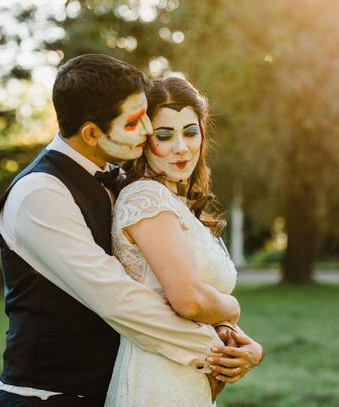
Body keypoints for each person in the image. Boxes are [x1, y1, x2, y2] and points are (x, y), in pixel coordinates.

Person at [0, 54, 261, 407]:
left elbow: (157, 282)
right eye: (135, 122)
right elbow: (122, 301)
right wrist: (219, 351)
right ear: (91, 133)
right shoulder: (40, 195)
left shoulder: (121, 182)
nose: (150, 132)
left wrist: (236, 339)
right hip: (51, 396)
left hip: (116, 388)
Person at [105, 76, 263, 406]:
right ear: (144, 139)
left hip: (189, 376)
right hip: (158, 377)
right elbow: (188, 301)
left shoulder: (175, 203)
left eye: (190, 132)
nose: (181, 147)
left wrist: (247, 345)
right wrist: (232, 310)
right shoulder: (145, 198)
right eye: (164, 135)